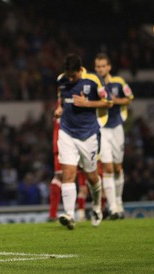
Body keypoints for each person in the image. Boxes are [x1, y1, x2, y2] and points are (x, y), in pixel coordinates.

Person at [56, 53, 113, 230]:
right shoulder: (61, 80)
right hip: (67, 132)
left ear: (81, 70)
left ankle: (97, 208)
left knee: (91, 176)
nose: (71, 79)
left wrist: (86, 103)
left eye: (74, 75)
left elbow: (108, 102)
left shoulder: (94, 80)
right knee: (68, 173)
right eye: (69, 75)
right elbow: (61, 97)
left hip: (88, 134)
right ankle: (69, 214)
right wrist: (59, 108)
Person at [94, 53, 134, 219]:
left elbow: (129, 98)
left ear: (109, 67)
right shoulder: (94, 84)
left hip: (117, 128)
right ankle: (113, 208)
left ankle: (118, 201)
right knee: (107, 168)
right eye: (98, 66)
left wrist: (114, 101)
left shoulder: (119, 82)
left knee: (118, 168)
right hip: (102, 128)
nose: (101, 69)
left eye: (103, 66)